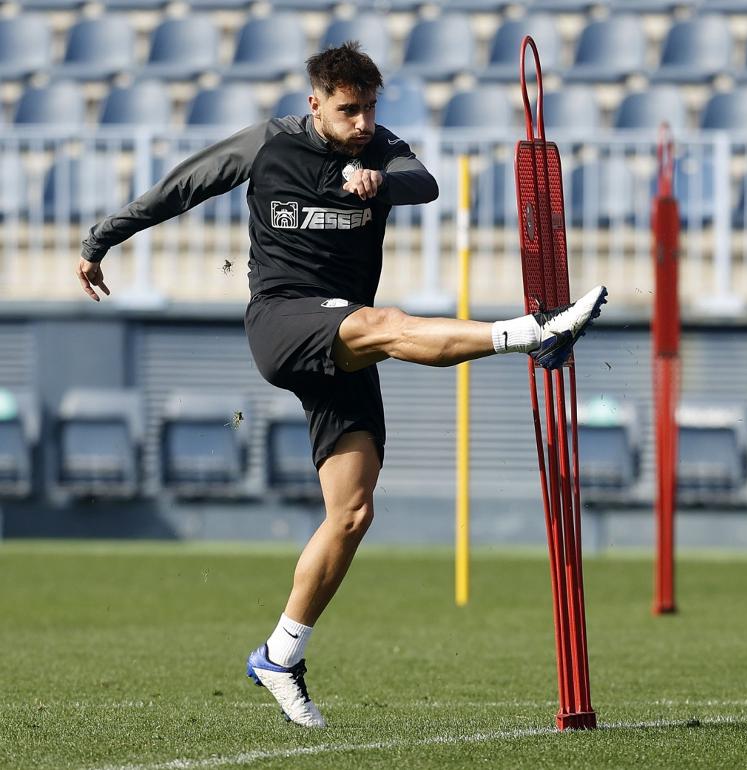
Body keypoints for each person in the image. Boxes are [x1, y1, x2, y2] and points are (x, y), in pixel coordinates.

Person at [75, 43, 607, 728]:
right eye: (348, 110)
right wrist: (99, 241)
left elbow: (426, 183)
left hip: (344, 342)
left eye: (369, 109)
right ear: (316, 103)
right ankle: (533, 332)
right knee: (386, 324)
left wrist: (379, 180)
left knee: (352, 514)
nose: (361, 122)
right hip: (283, 321)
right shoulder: (268, 146)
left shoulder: (383, 150)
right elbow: (183, 186)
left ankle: (279, 654)